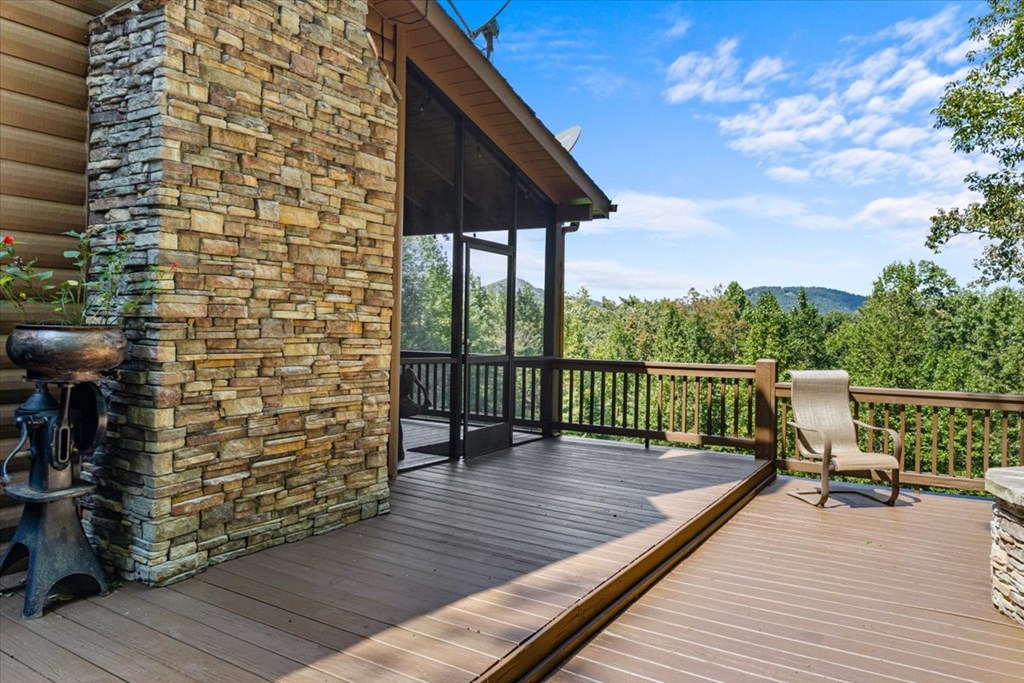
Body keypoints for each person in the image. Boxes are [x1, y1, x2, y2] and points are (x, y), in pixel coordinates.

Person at [398, 368, 430, 460]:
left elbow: (422, 387)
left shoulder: (404, 381)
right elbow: (422, 387)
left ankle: (399, 452)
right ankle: (399, 452)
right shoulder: (405, 383)